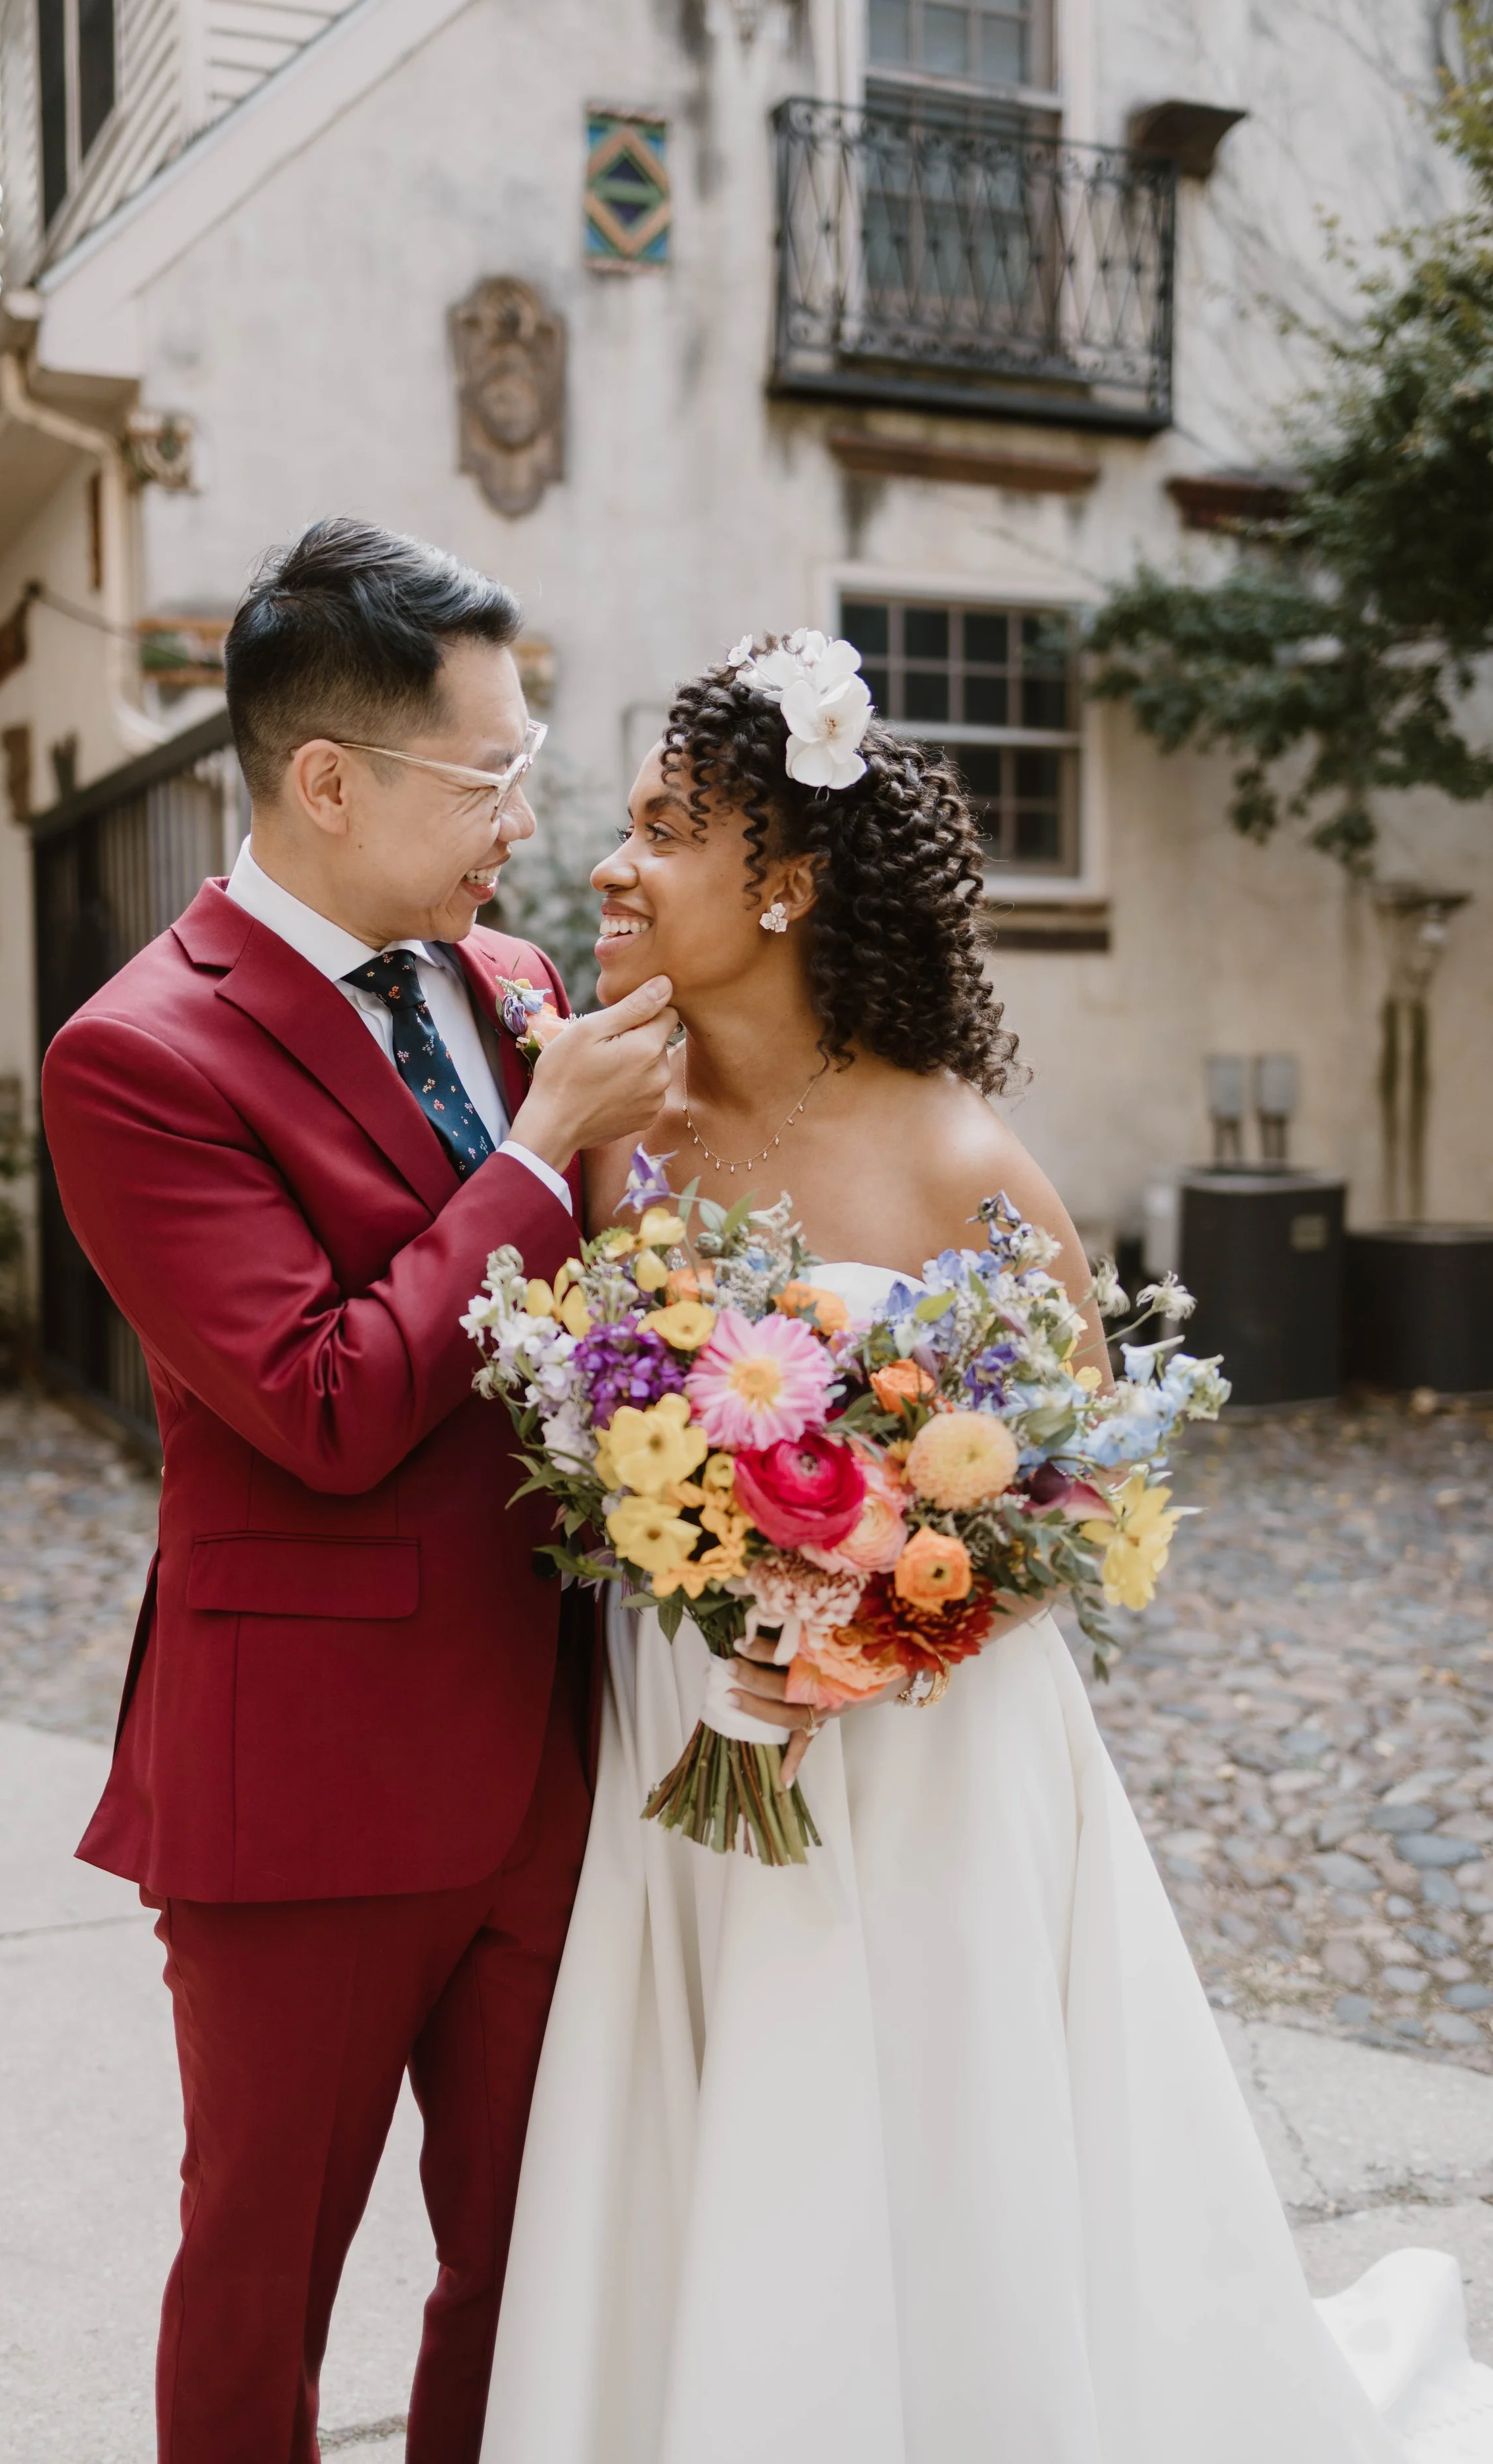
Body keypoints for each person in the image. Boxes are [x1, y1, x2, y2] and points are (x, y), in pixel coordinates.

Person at [479, 635, 1493, 2464]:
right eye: (622, 823)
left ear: (783, 883)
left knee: (947, 2117)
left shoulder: (960, 1160)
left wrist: (882, 1629)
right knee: (719, 2108)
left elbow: (1077, 1496)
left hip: (929, 1752)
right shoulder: (623, 1138)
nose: (611, 862)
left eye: (662, 829)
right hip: (688, 1718)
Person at [40, 519, 678, 2464]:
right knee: (261, 2291)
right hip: (300, 1788)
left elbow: (595, 1309)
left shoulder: (510, 977)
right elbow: (320, 1400)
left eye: (525, 764)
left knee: (530, 2262)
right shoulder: (136, 1053)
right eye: (488, 777)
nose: (521, 815)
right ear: (327, 780)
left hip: (541, 1758)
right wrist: (537, 1150)